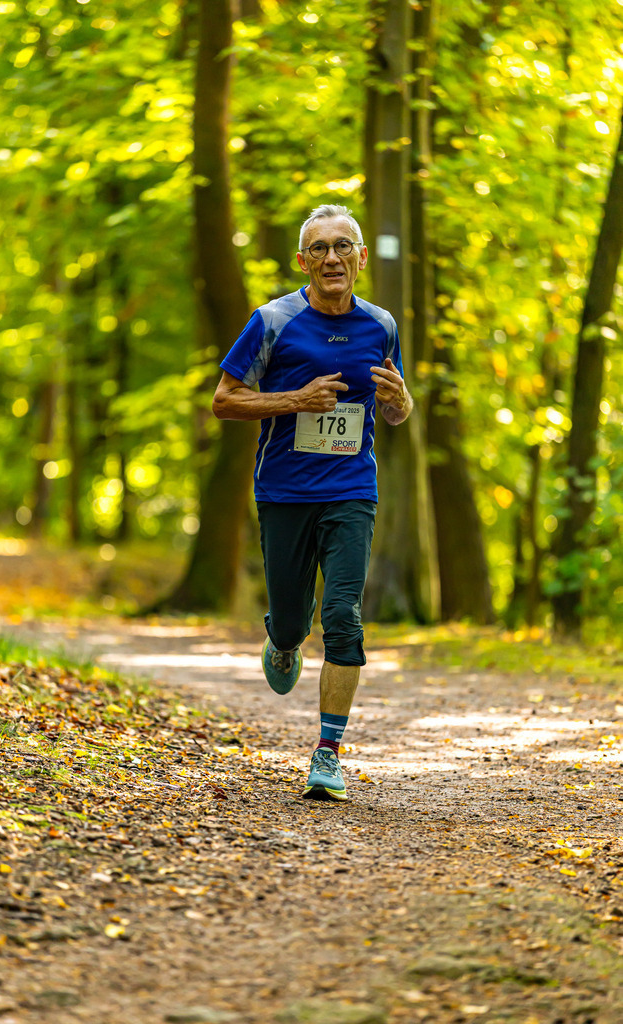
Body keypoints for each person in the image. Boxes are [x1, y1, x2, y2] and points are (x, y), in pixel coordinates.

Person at [212, 203, 413, 801]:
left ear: (360, 258)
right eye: (320, 248)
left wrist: (401, 399)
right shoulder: (273, 321)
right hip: (284, 492)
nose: (332, 257)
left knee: (344, 617)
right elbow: (225, 401)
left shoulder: (381, 325)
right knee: (297, 621)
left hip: (352, 489)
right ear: (303, 260)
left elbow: (396, 412)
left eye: (343, 246)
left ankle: (327, 754)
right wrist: (294, 400)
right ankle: (282, 636)